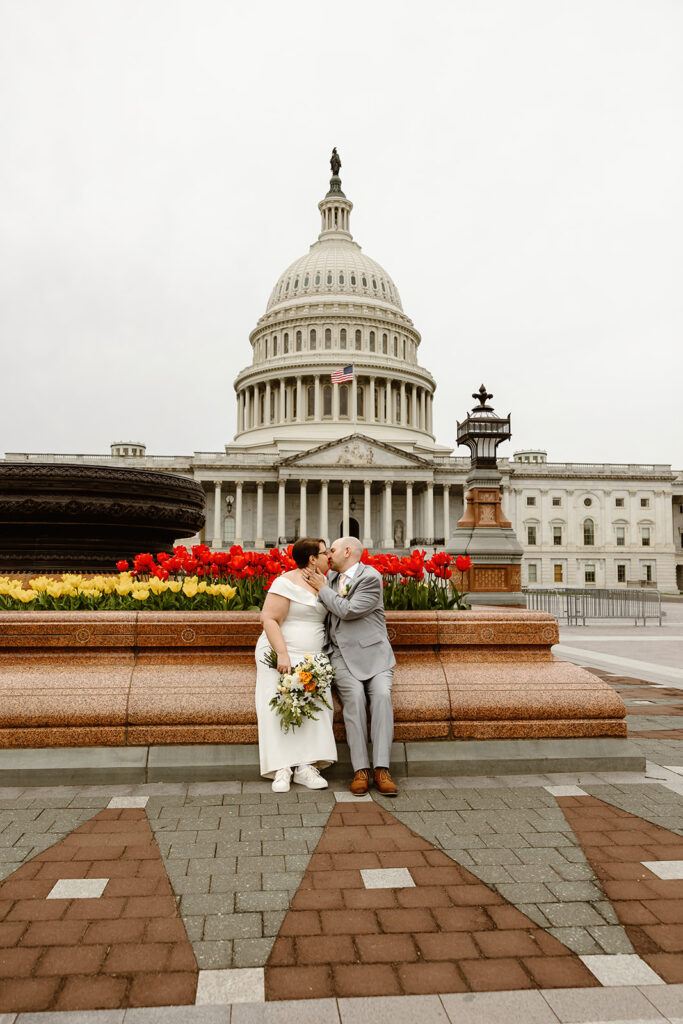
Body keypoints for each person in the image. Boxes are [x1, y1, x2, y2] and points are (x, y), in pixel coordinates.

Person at [304, 536, 398, 797]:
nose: (329, 555)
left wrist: (323, 588)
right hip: (341, 656)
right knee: (354, 700)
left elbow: (348, 610)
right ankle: (361, 770)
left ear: (348, 551)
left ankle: (381, 768)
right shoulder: (330, 577)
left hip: (375, 656)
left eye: (332, 550)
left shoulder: (371, 578)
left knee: (381, 697)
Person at [255, 537, 337, 793]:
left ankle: (306, 765)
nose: (329, 557)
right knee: (277, 707)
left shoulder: (326, 582)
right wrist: (282, 654)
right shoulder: (285, 582)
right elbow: (269, 619)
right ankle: (281, 767)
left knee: (317, 707)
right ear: (312, 558)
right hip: (281, 653)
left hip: (314, 655)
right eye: (325, 553)